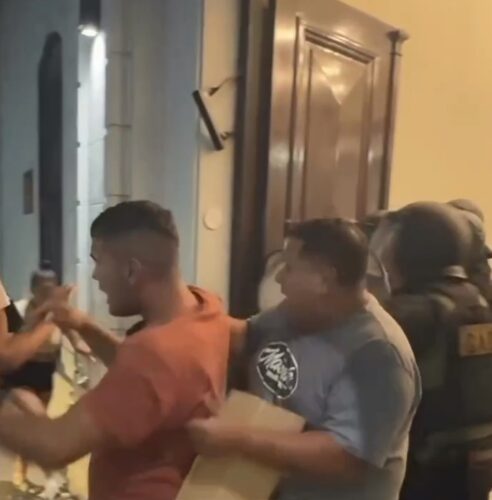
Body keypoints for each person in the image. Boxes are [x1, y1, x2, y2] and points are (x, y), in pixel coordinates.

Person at [0, 201, 231, 500]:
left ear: (131, 270)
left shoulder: (155, 353)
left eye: (98, 261)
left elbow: (54, 445)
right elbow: (153, 380)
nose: (95, 275)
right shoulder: (206, 309)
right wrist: (81, 323)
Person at [189, 218, 422, 500]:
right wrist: (187, 312)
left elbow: (345, 457)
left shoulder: (379, 354)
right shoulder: (294, 313)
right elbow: (244, 337)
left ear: (324, 279)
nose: (279, 279)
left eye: (289, 268)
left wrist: (237, 439)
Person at [377, 202, 492, 500]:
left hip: (424, 463)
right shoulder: (478, 299)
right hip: (475, 460)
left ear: (408, 252)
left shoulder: (412, 313)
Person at [5, 269, 91, 498]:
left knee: (33, 428)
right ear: (33, 289)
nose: (48, 294)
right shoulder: (20, 309)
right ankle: (55, 479)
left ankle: (23, 477)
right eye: (43, 290)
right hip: (21, 374)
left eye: (51, 289)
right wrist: (44, 318)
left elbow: (73, 336)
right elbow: (13, 345)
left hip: (47, 372)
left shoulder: (58, 312)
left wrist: (84, 347)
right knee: (38, 422)